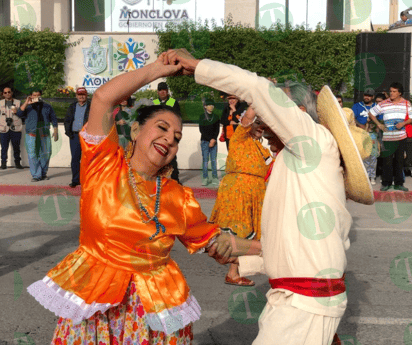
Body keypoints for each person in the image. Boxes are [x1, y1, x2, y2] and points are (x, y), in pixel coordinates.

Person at [26, 52, 258, 344]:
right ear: (135, 130)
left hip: (158, 312)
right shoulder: (104, 164)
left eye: (176, 138)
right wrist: (157, 70)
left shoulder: (178, 196)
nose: (169, 140)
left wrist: (272, 249)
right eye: (161, 129)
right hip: (94, 309)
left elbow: (216, 243)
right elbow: (102, 100)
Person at [164, 48, 374, 345]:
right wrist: (241, 249)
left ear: (297, 115)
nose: (262, 122)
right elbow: (299, 245)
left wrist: (199, 66)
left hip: (302, 305)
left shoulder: (312, 142)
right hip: (298, 302)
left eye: (272, 111)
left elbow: (257, 87)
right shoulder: (300, 160)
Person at [210, 108, 271, 287]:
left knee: (248, 235)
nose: (260, 127)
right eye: (257, 123)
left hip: (255, 194)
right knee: (238, 233)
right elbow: (249, 117)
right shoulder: (240, 137)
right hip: (238, 191)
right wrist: (259, 96)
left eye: (263, 125)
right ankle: (229, 263)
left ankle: (233, 273)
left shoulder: (261, 148)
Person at [369, 82, 411, 192]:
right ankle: (386, 183)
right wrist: (379, 124)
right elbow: (371, 113)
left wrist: (403, 123)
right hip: (387, 138)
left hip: (401, 138)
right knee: (387, 162)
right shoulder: (384, 103)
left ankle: (399, 183)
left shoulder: (406, 104)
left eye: (394, 91)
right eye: (390, 91)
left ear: (400, 93)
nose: (391, 93)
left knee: (399, 161)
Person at [16, 90, 58, 182]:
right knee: (32, 154)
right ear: (30, 96)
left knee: (46, 154)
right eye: (34, 95)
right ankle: (36, 175)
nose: (36, 97)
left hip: (44, 132)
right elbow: (19, 114)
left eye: (38, 95)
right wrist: (27, 102)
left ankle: (43, 174)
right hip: (31, 133)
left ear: (41, 96)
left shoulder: (47, 106)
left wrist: (56, 130)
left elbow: (53, 118)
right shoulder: (27, 106)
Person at [154, 82, 181, 183]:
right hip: (158, 134)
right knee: (157, 156)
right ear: (158, 92)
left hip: (170, 133)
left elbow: (178, 118)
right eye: (160, 90)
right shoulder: (154, 102)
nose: (162, 92)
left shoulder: (173, 102)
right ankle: (157, 180)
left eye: (164, 90)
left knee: (172, 156)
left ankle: (175, 180)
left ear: (167, 91)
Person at [64, 87, 91, 188]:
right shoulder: (72, 106)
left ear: (86, 95)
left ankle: (86, 180)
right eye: (79, 95)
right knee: (75, 159)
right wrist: (69, 133)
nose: (81, 96)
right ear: (76, 96)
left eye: (83, 94)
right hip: (75, 136)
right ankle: (75, 180)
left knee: (87, 159)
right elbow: (67, 120)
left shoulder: (91, 106)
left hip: (87, 137)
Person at [0, 87, 23, 169]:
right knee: (4, 147)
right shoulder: (0, 103)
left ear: (12, 93)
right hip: (3, 128)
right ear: (3, 94)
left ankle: (17, 163)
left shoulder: (18, 102)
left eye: (9, 92)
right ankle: (3, 163)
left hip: (15, 127)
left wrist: (17, 112)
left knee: (16, 147)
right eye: (5, 92)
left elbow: (22, 114)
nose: (7, 94)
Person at [199, 99, 220, 186]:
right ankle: (205, 178)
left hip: (214, 142)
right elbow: (202, 130)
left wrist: (213, 139)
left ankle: (215, 178)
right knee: (205, 161)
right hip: (205, 141)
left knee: (214, 160)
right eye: (209, 105)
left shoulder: (216, 117)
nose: (211, 106)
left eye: (212, 105)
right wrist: (209, 140)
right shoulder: (202, 116)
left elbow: (217, 130)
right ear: (205, 106)